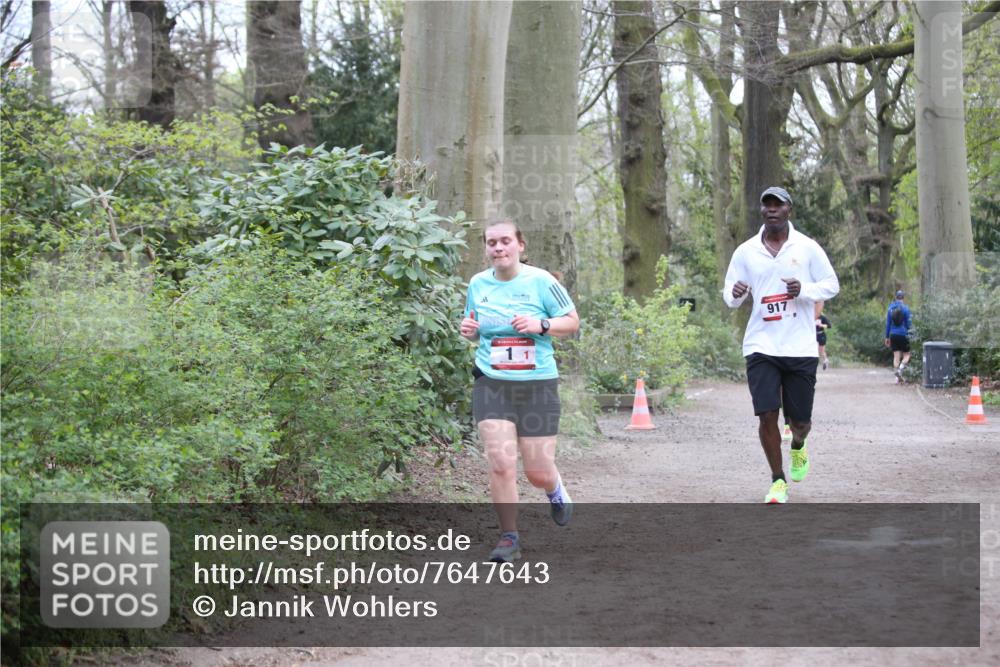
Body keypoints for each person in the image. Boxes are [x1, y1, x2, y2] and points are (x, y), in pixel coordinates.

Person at [459, 219, 580, 562]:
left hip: (537, 386)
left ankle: (555, 489)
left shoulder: (541, 281)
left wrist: (541, 324)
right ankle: (509, 537)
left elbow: (572, 322)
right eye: (491, 243)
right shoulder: (478, 284)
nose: (498, 248)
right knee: (500, 463)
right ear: (486, 248)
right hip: (491, 383)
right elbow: (474, 330)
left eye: (505, 241)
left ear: (520, 246)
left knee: (537, 471)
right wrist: (469, 330)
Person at [723, 186, 840, 504]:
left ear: (789, 209)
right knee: (766, 414)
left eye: (778, 204)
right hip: (761, 344)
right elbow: (730, 295)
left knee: (800, 422)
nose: (772, 209)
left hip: (799, 346)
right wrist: (736, 294)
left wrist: (804, 289)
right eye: (767, 205)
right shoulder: (746, 251)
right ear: (762, 211)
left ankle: (798, 445)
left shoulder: (807, 247)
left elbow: (831, 285)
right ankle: (777, 480)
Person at [884, 289, 912, 383]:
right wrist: (910, 333)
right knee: (907, 355)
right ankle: (900, 370)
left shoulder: (890, 308)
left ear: (896, 297)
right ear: (903, 298)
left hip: (893, 334)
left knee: (896, 356)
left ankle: (897, 378)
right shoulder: (906, 308)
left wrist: (887, 337)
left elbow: (888, 324)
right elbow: (909, 324)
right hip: (903, 334)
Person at [815, 301, 831, 370]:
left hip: (821, 334)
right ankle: (815, 364)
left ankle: (825, 361)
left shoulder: (822, 317)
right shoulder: (811, 316)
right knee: (813, 350)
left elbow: (829, 326)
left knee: (821, 351)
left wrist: (821, 325)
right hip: (813, 335)